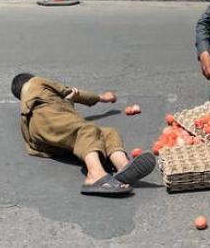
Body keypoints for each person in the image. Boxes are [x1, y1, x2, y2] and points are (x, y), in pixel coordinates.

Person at [11, 73, 156, 196]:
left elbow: (62, 123)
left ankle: (123, 168)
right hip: (47, 118)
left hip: (43, 138)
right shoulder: (36, 82)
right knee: (86, 130)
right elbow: (69, 91)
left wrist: (67, 102)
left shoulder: (29, 104)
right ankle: (95, 175)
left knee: (107, 133)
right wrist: (101, 98)